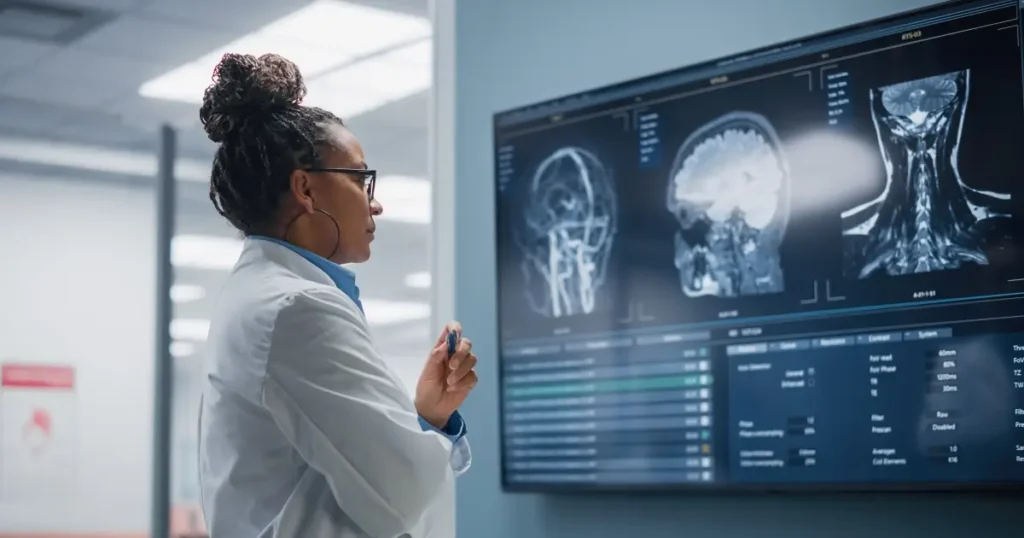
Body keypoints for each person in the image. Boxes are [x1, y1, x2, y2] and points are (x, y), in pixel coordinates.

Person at [196, 52, 478, 538]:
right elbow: (404, 494)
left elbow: (341, 473)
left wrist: (428, 415)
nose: (376, 203)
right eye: (361, 179)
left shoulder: (260, 294)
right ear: (305, 189)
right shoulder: (295, 308)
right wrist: (425, 434)